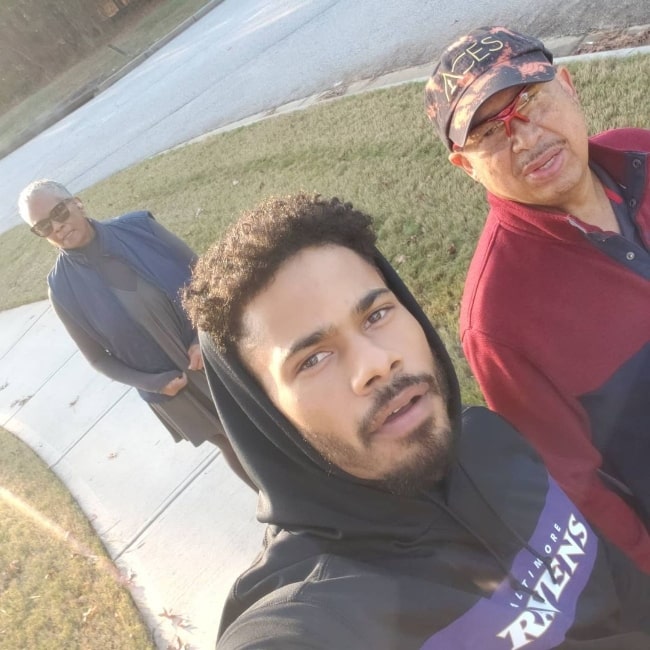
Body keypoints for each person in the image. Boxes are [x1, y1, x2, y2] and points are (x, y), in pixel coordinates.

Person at [183, 193, 650, 649]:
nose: (377, 363)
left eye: (377, 314)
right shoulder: (314, 616)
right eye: (313, 358)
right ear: (266, 418)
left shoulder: (490, 438)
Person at [424, 26, 650, 571]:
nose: (524, 137)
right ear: (466, 166)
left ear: (567, 85)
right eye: (488, 133)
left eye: (530, 99)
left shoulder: (639, 149)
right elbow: (576, 484)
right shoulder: (497, 320)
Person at [18, 179, 254, 490]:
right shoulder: (61, 289)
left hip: (213, 350)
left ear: (78, 202)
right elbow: (97, 359)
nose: (57, 227)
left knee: (260, 419)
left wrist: (202, 334)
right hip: (172, 387)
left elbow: (204, 276)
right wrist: (155, 383)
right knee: (229, 442)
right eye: (44, 226)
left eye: (59, 212)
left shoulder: (141, 228)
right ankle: (285, 512)